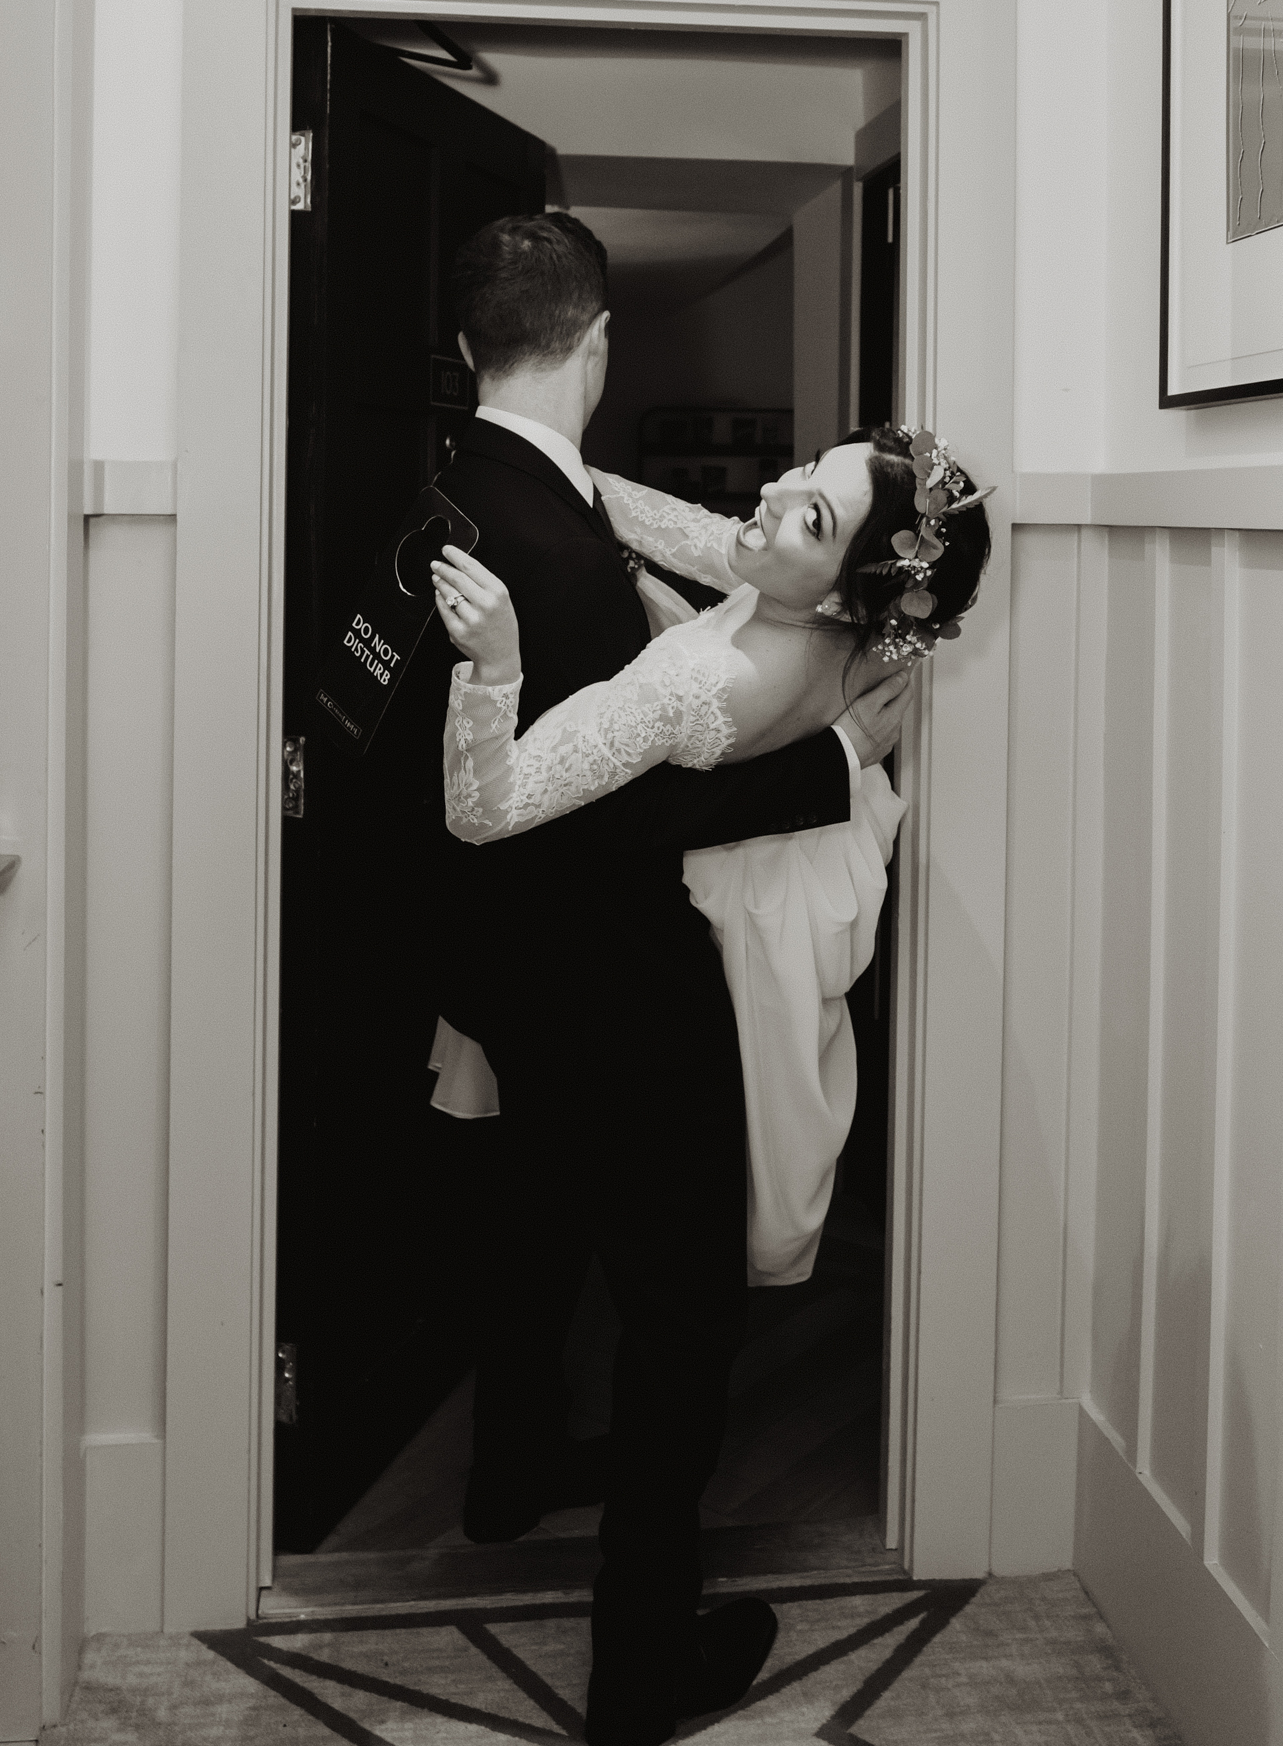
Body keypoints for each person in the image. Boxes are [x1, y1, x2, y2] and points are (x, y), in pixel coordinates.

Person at [425, 213, 913, 1746]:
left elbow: (709, 560)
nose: (770, 501)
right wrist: (836, 753)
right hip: (620, 983)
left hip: (534, 966)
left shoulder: (474, 496)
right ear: (600, 343)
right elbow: (588, 793)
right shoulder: (609, 588)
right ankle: (639, 1668)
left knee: (538, 1216)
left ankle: (509, 1474)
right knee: (680, 1325)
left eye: (811, 505)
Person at [432, 419, 992, 1290]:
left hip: (673, 933)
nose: (772, 494)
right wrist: (552, 465)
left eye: (814, 518)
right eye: (803, 470)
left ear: (848, 594)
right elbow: (668, 522)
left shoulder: (695, 685)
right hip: (772, 876)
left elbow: (482, 807)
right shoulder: (852, 623)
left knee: (643, 1218)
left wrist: (494, 663)